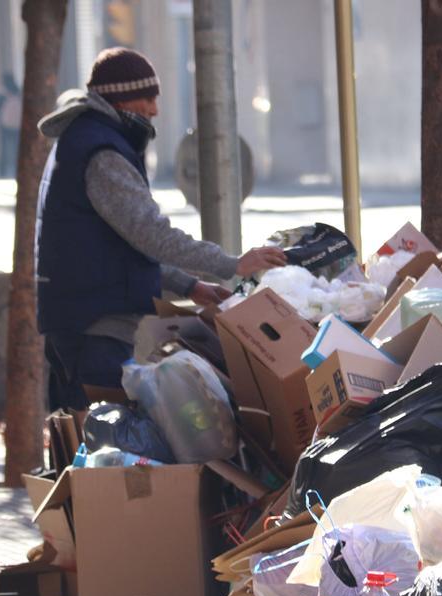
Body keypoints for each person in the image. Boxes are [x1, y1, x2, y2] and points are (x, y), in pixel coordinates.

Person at [36, 47, 288, 411]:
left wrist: (190, 286)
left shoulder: (88, 139)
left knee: (86, 435)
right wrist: (231, 263)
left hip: (81, 317)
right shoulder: (102, 153)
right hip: (93, 324)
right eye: (147, 98)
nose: (154, 109)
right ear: (120, 99)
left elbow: (120, 245)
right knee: (102, 441)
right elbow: (151, 235)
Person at [0, 73, 22, 178]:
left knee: (4, 149)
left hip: (5, 126)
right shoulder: (18, 92)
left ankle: (2, 172)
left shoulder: (2, 94)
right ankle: (17, 169)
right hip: (18, 126)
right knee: (17, 149)